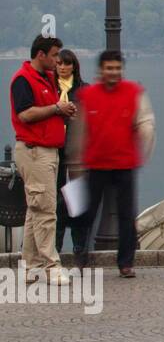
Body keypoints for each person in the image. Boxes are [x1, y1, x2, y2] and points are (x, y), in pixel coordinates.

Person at [68, 51, 156, 277]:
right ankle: (81, 255)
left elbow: (146, 123)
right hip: (95, 164)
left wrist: (145, 151)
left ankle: (125, 263)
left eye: (117, 68)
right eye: (109, 68)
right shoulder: (87, 95)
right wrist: (75, 162)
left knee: (127, 216)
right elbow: (80, 130)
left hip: (125, 164)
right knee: (87, 214)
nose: (114, 72)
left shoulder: (134, 92)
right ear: (101, 71)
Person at [8, 35, 75, 286]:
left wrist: (63, 110)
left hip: (47, 151)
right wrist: (57, 109)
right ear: (41, 55)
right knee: (46, 211)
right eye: (55, 55)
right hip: (34, 151)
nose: (59, 60)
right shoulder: (23, 80)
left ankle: (29, 267)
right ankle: (52, 266)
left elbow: (47, 111)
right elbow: (25, 114)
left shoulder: (46, 78)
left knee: (34, 210)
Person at [54, 48, 89, 259]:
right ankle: (55, 245)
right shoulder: (49, 89)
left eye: (67, 63)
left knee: (78, 198)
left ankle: (80, 246)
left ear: (74, 66)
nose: (63, 67)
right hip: (55, 150)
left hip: (78, 152)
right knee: (56, 199)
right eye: (59, 63)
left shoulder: (84, 90)